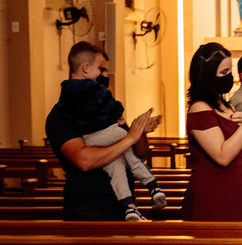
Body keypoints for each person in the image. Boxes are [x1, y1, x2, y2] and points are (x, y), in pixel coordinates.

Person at [46, 41, 163, 221]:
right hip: (88, 210)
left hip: (122, 208)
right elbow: (83, 160)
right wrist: (129, 138)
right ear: (86, 68)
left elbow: (139, 154)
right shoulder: (60, 114)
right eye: (102, 69)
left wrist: (140, 132)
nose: (106, 75)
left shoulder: (104, 106)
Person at [183, 42, 242, 221]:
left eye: (230, 71)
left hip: (237, 198)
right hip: (214, 196)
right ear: (207, 75)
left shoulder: (225, 105)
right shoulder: (199, 109)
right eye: (224, 72)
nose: (229, 77)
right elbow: (223, 156)